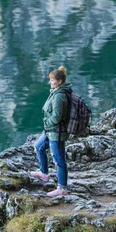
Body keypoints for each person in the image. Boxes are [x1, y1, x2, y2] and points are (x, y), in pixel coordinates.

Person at [30, 66, 72, 197]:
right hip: (50, 131)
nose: (50, 82)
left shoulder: (60, 95)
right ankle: (43, 173)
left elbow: (57, 116)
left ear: (59, 81)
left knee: (59, 159)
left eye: (52, 80)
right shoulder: (56, 92)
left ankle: (62, 188)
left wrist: (47, 123)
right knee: (38, 147)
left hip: (56, 132)